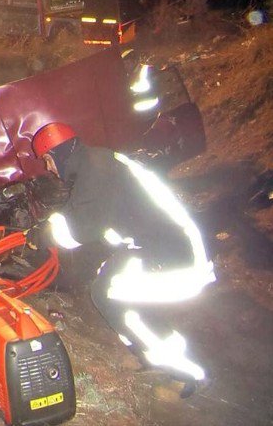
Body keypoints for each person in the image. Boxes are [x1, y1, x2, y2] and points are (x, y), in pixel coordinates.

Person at [31, 122, 216, 396]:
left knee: (114, 297)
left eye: (47, 159)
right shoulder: (95, 162)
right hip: (156, 246)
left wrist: (44, 235)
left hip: (176, 255)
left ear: (58, 153)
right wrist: (44, 225)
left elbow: (81, 231)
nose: (48, 168)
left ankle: (187, 376)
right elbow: (77, 209)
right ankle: (145, 354)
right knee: (108, 289)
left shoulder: (95, 171)